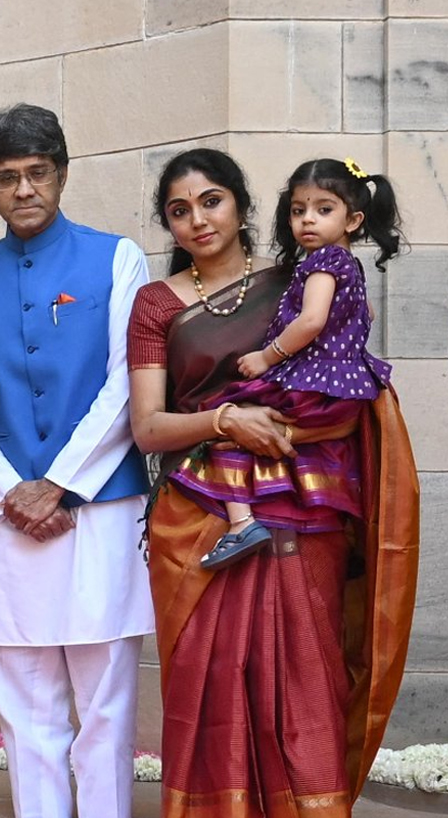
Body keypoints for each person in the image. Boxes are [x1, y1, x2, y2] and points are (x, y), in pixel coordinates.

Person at [127, 148, 418, 818]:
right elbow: (148, 428)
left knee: (305, 697)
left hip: (304, 510)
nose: (197, 219)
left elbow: (346, 382)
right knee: (214, 705)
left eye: (212, 201)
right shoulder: (158, 304)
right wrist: (227, 421)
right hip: (201, 524)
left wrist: (286, 428)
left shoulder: (298, 282)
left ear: (244, 206)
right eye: (179, 210)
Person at [0, 103, 153, 818]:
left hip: (97, 511)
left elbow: (129, 383)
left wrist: (58, 484)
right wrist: (11, 491)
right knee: (24, 705)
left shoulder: (116, 259)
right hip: (8, 520)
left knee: (103, 702)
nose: (23, 190)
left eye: (36, 173)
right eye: (7, 178)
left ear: (61, 172)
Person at [171, 158, 403, 570]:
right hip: (341, 383)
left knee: (223, 419)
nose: (307, 220)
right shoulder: (347, 263)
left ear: (353, 220)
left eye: (323, 209)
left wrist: (268, 356)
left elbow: (311, 321)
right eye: (299, 210)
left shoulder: (322, 263)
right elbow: (365, 312)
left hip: (310, 379)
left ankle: (241, 523)